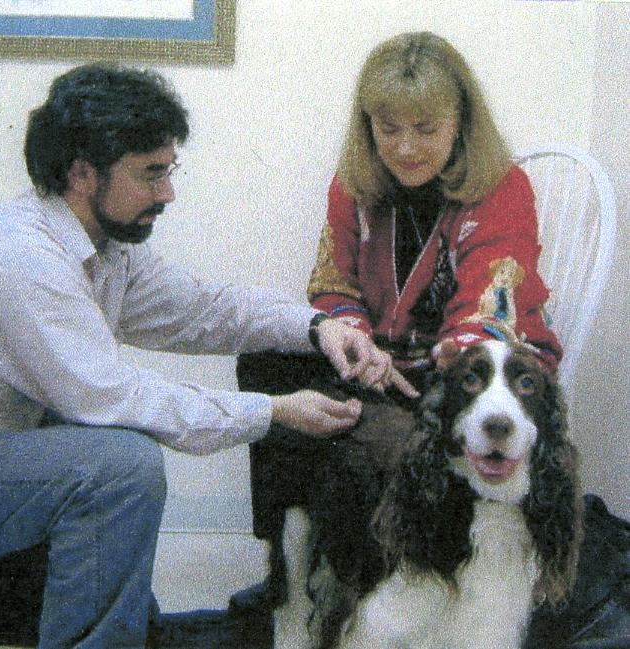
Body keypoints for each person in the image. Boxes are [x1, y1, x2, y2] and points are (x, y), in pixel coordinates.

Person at [0, 64, 394, 649]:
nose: (167, 193)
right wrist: (274, 410)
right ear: (82, 173)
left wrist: (318, 327)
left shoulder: (103, 247)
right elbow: (113, 397)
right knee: (119, 465)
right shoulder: (22, 259)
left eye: (169, 171)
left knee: (103, 450)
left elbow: (207, 309)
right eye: (151, 174)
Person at [230, 30, 562, 613]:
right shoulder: (352, 186)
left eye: (426, 129)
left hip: (475, 371)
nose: (406, 148)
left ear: (461, 121)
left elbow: (488, 308)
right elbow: (333, 287)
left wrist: (415, 367)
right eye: (389, 129)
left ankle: (361, 580)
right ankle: (286, 557)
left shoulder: (504, 188)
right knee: (267, 360)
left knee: (363, 440)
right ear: (368, 128)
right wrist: (354, 343)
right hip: (383, 363)